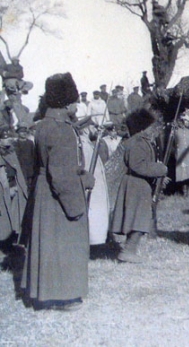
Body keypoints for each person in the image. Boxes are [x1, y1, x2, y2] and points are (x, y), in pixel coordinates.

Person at [21, 72, 92, 311]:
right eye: (74, 100)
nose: (77, 105)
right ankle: (62, 295)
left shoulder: (44, 125)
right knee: (63, 241)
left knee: (47, 243)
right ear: (67, 103)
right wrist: (81, 189)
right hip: (56, 195)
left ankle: (43, 292)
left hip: (43, 191)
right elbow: (62, 177)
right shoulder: (62, 130)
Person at [111, 108, 168, 263]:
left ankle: (130, 249)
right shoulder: (137, 143)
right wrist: (160, 169)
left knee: (139, 217)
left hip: (139, 185)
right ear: (142, 127)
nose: (153, 129)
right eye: (150, 126)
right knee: (139, 218)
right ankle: (128, 250)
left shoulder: (142, 141)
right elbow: (138, 165)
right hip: (136, 185)